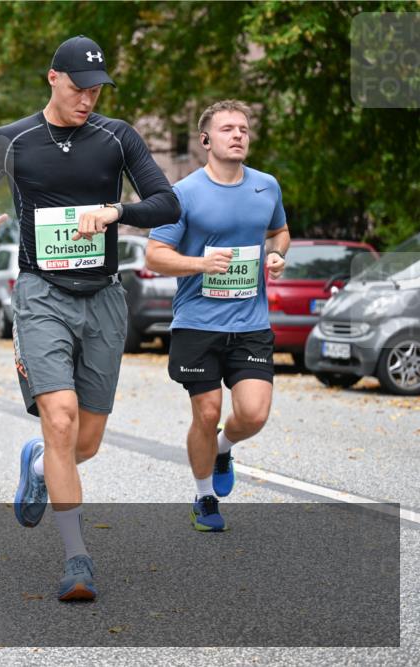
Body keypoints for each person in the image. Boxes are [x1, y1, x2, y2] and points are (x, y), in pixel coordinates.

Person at [0, 36, 180, 601]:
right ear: (52, 78)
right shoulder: (13, 140)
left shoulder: (117, 137)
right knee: (60, 419)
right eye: (79, 87)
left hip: (103, 296)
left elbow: (167, 203)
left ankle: (37, 466)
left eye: (97, 89)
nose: (88, 98)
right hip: (41, 293)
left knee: (87, 440)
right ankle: (77, 559)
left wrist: (116, 211)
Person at [145, 100, 289, 532]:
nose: (239, 135)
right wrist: (200, 265)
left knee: (254, 415)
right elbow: (155, 254)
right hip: (196, 323)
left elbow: (279, 231)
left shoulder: (266, 187)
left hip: (251, 324)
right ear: (206, 140)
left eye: (243, 128)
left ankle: (224, 447)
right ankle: (204, 496)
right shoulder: (183, 193)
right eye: (228, 129)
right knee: (206, 413)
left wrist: (277, 254)